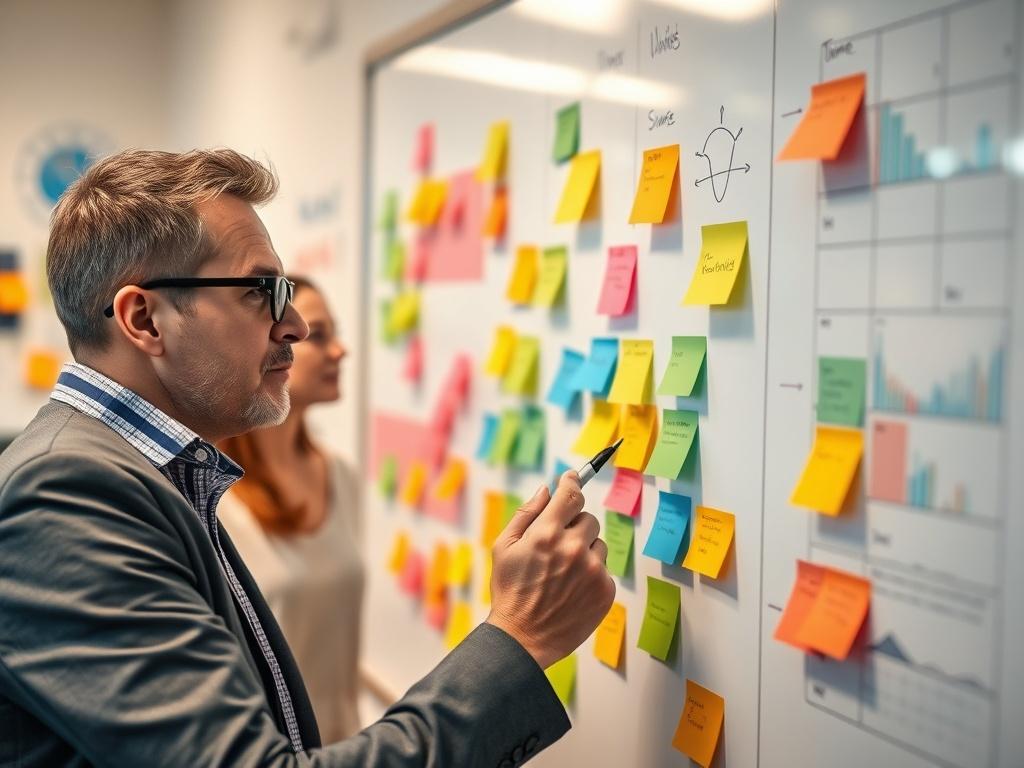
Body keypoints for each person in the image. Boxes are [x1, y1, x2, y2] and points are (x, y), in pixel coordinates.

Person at [0, 149, 615, 767]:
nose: (293, 324)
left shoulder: (150, 471)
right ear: (145, 320)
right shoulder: (69, 493)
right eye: (261, 292)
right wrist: (518, 638)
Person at [217, 276, 366, 743]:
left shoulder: (341, 474)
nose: (340, 351)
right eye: (318, 336)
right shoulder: (214, 496)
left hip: (347, 746)